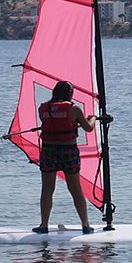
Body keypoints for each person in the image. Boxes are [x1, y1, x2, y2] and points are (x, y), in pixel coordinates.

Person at [32, 80, 97, 235]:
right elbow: (88, 128)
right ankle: (86, 225)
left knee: (47, 189)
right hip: (68, 150)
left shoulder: (43, 108)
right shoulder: (73, 108)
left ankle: (43, 225)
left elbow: (51, 121)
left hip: (48, 150)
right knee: (75, 189)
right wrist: (92, 117)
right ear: (70, 94)